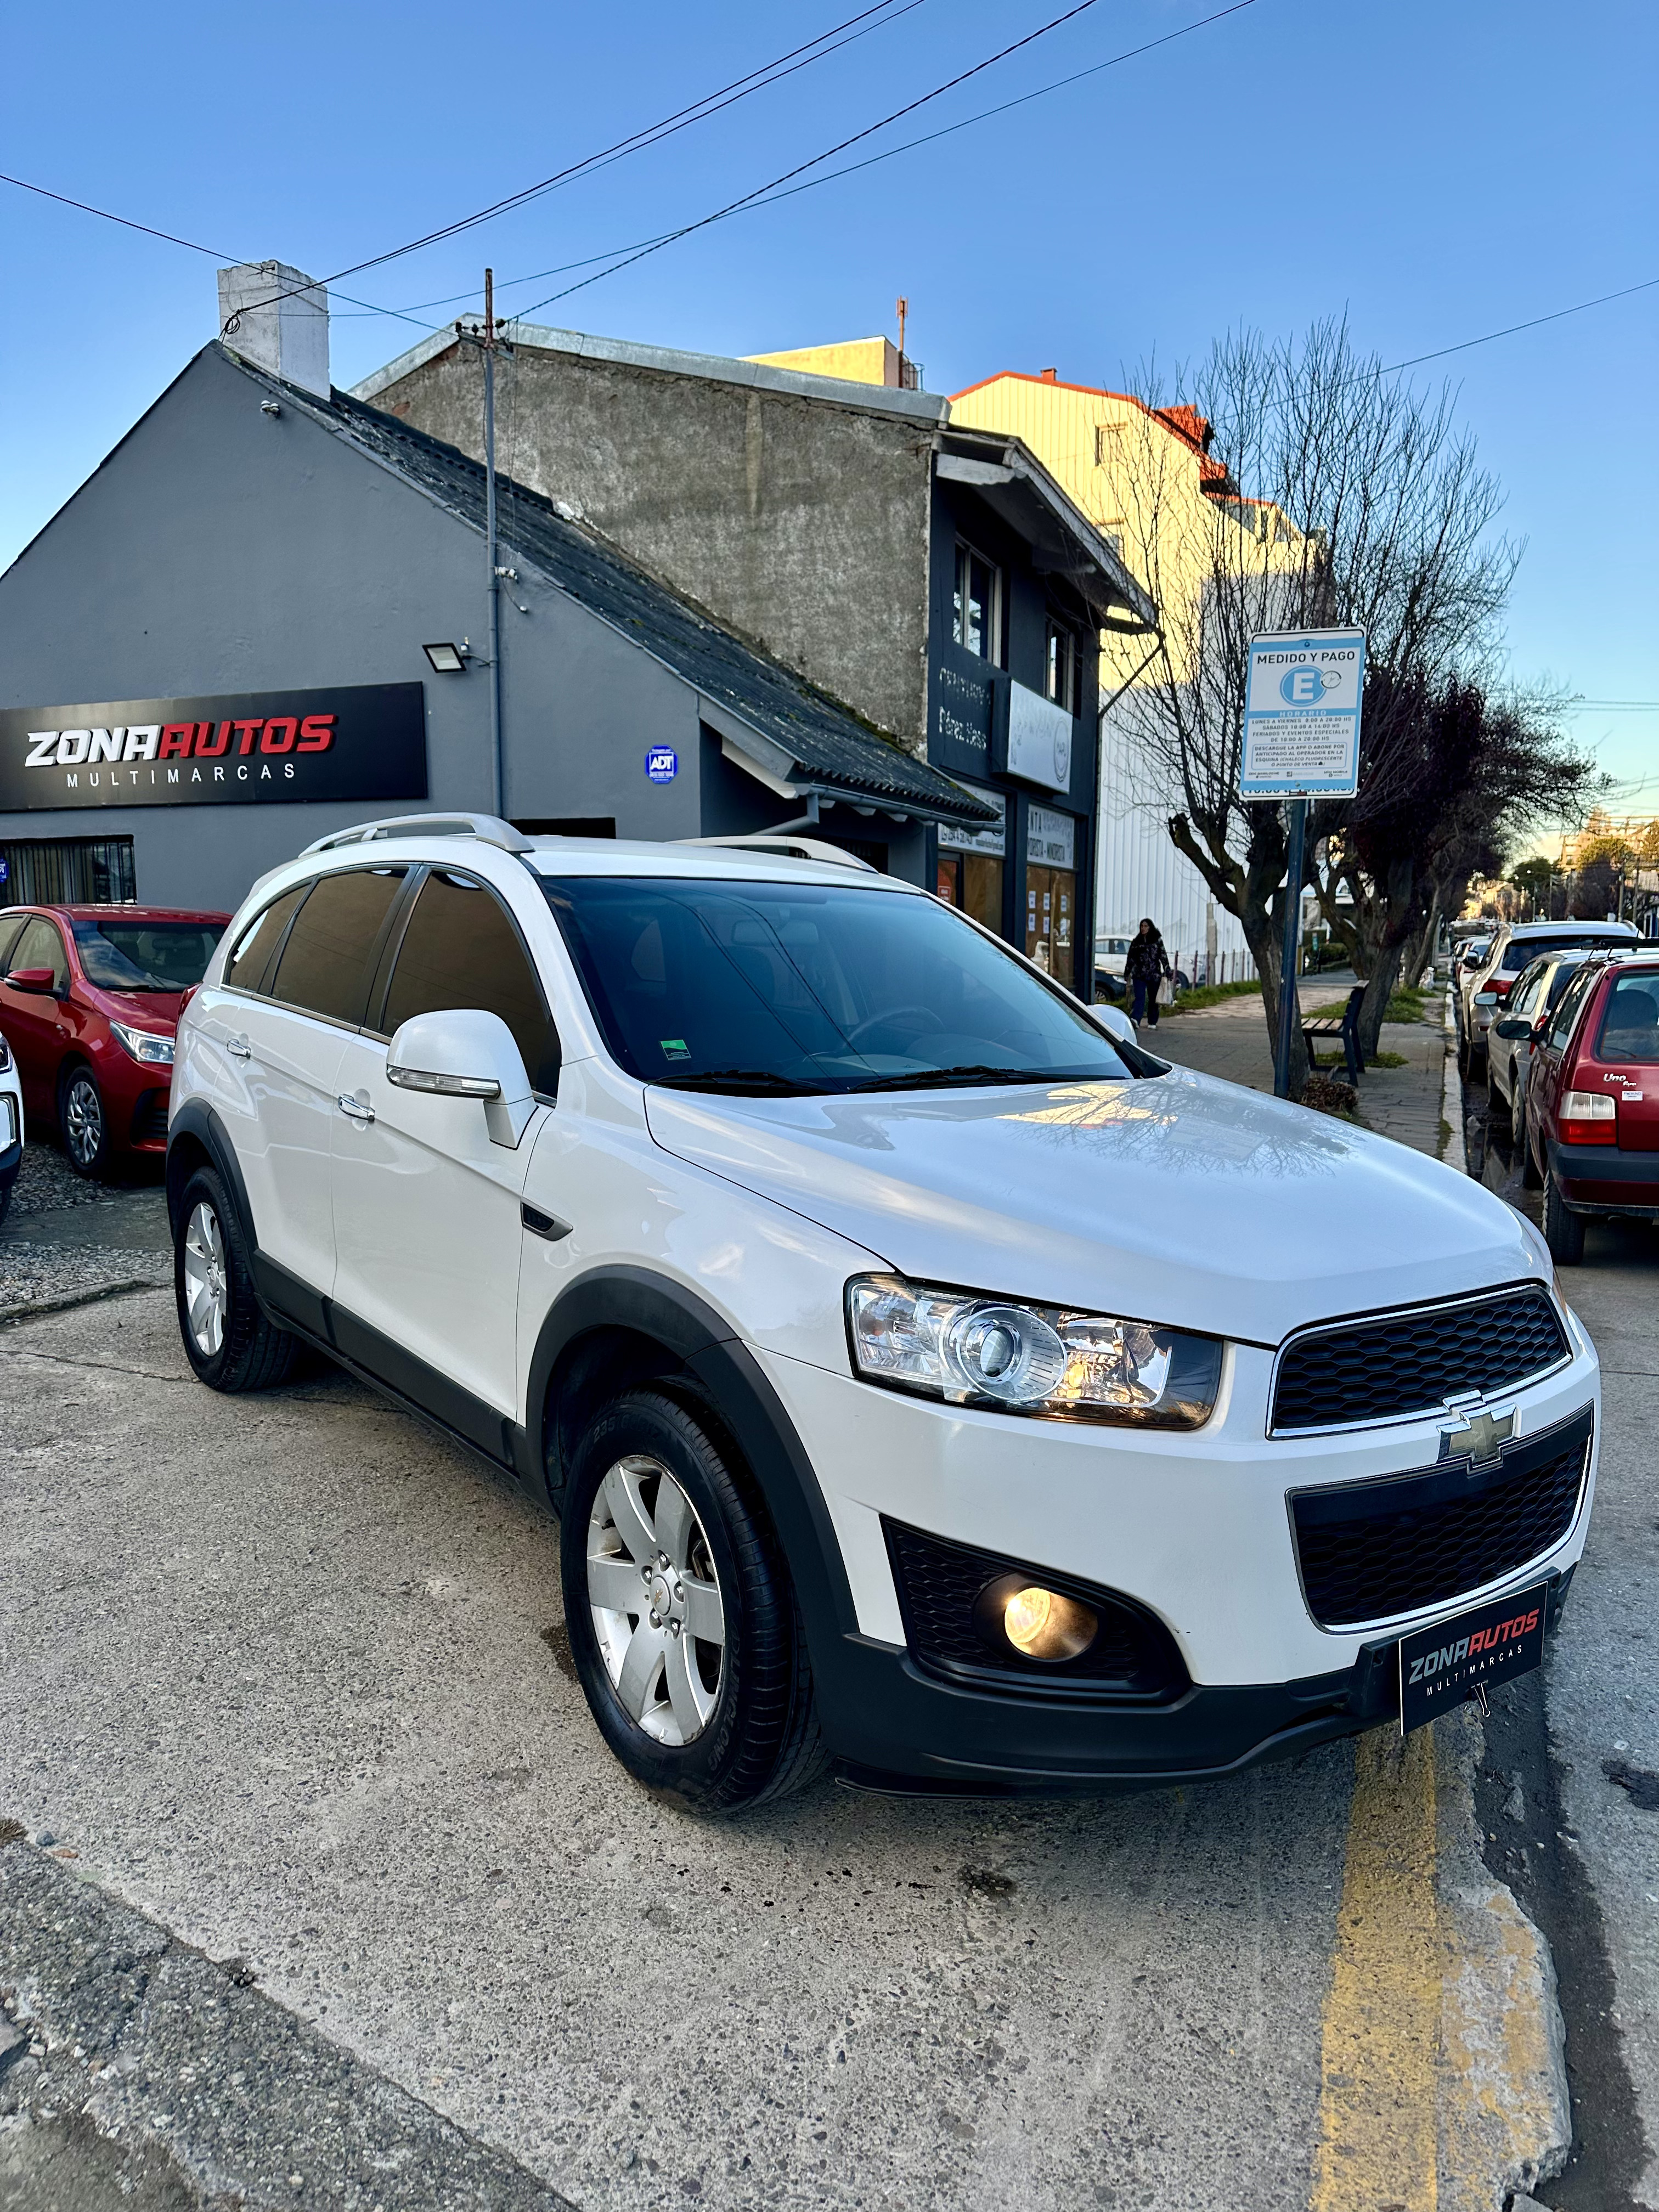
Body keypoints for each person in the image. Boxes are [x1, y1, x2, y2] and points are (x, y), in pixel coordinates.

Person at [1125, 917, 1172, 1028]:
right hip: (1139, 974)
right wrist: (1127, 973)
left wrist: (1167, 970)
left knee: (1153, 999)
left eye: (1146, 926)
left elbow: (1163, 956)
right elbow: (1131, 958)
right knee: (1140, 997)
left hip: (1154, 974)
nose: (1143, 928)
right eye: (1142, 926)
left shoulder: (1157, 940)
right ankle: (1136, 1019)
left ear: (1150, 928)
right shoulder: (1137, 942)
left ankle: (1152, 1021)